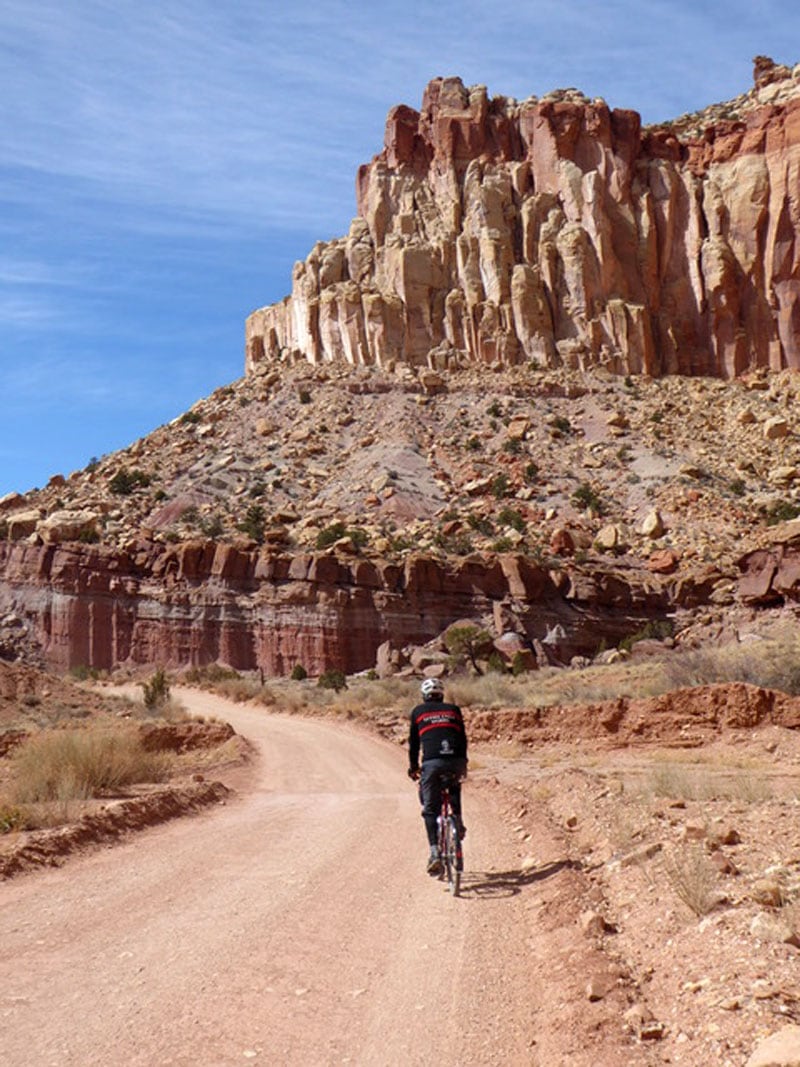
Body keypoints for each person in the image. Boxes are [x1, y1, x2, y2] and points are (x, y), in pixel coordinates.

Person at [408, 677, 468, 875]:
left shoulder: (418, 712)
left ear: (424, 696)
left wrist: (413, 767)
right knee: (454, 783)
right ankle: (457, 821)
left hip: (432, 763)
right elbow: (462, 738)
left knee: (430, 810)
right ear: (441, 694)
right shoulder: (453, 710)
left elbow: (414, 744)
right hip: (456, 761)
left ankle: (434, 852)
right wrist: (463, 762)